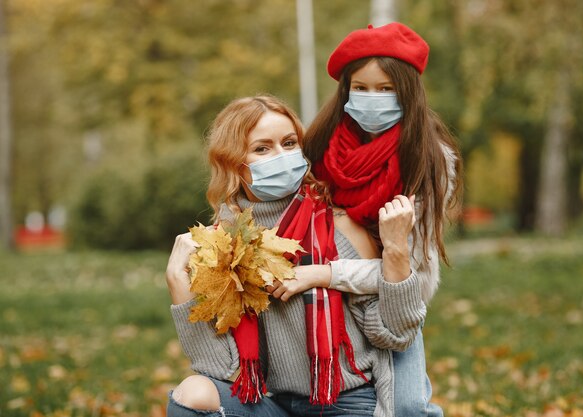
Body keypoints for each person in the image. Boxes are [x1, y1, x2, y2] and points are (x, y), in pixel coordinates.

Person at [165, 95, 424, 417]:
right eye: (262, 148)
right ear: (233, 161)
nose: (282, 156)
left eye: (289, 143)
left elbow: (396, 333)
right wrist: (180, 286)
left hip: (348, 403)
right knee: (193, 392)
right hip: (276, 404)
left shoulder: (337, 224)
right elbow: (216, 366)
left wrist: (396, 251)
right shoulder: (221, 242)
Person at [299, 22, 464, 416]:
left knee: (406, 408)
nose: (372, 98)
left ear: (407, 92)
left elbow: (414, 276)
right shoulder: (319, 146)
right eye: (361, 87)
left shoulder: (429, 158)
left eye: (386, 89)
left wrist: (328, 273)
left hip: (393, 302)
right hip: (325, 305)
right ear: (346, 90)